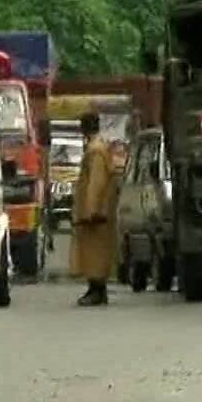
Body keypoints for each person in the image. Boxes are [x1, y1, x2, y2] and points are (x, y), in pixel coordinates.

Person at [70, 113, 118, 307]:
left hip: (95, 214)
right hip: (98, 211)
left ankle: (97, 290)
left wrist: (91, 211)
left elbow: (96, 183)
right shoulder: (98, 147)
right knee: (94, 252)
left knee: (94, 253)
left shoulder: (95, 150)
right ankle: (96, 288)